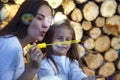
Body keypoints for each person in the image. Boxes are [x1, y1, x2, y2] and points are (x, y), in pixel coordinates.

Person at [0, 0, 53, 80]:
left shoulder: (15, 44)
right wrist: (32, 68)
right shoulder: (10, 44)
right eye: (40, 18)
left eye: (48, 20)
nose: (46, 25)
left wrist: (32, 66)